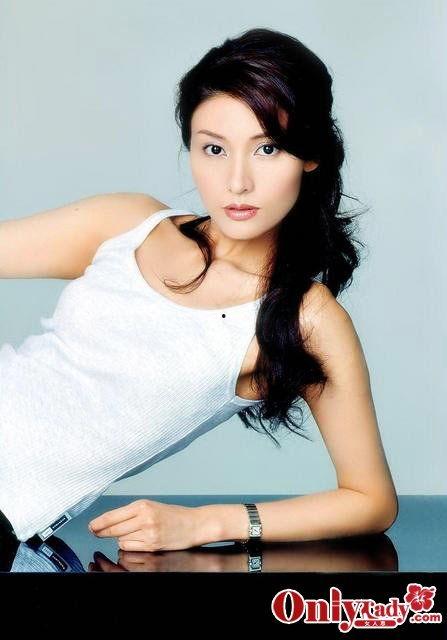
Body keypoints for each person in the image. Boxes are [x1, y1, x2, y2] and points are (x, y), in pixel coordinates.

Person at [0, 27, 398, 553]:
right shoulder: (130, 223)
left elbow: (370, 499)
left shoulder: (306, 319)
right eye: (214, 148)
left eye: (267, 148)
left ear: (310, 153)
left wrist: (209, 523)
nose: (236, 182)